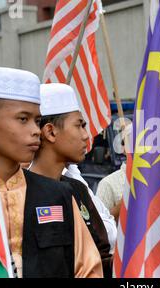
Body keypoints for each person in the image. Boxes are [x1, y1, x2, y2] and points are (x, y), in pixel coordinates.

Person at [0, 67, 102, 278]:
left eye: (37, 120)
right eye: (23, 119)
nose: (36, 130)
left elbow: (88, 269)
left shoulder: (58, 195)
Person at [29, 83, 115, 277]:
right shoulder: (20, 192)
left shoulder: (77, 189)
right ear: (50, 132)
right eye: (79, 125)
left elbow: (100, 256)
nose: (86, 136)